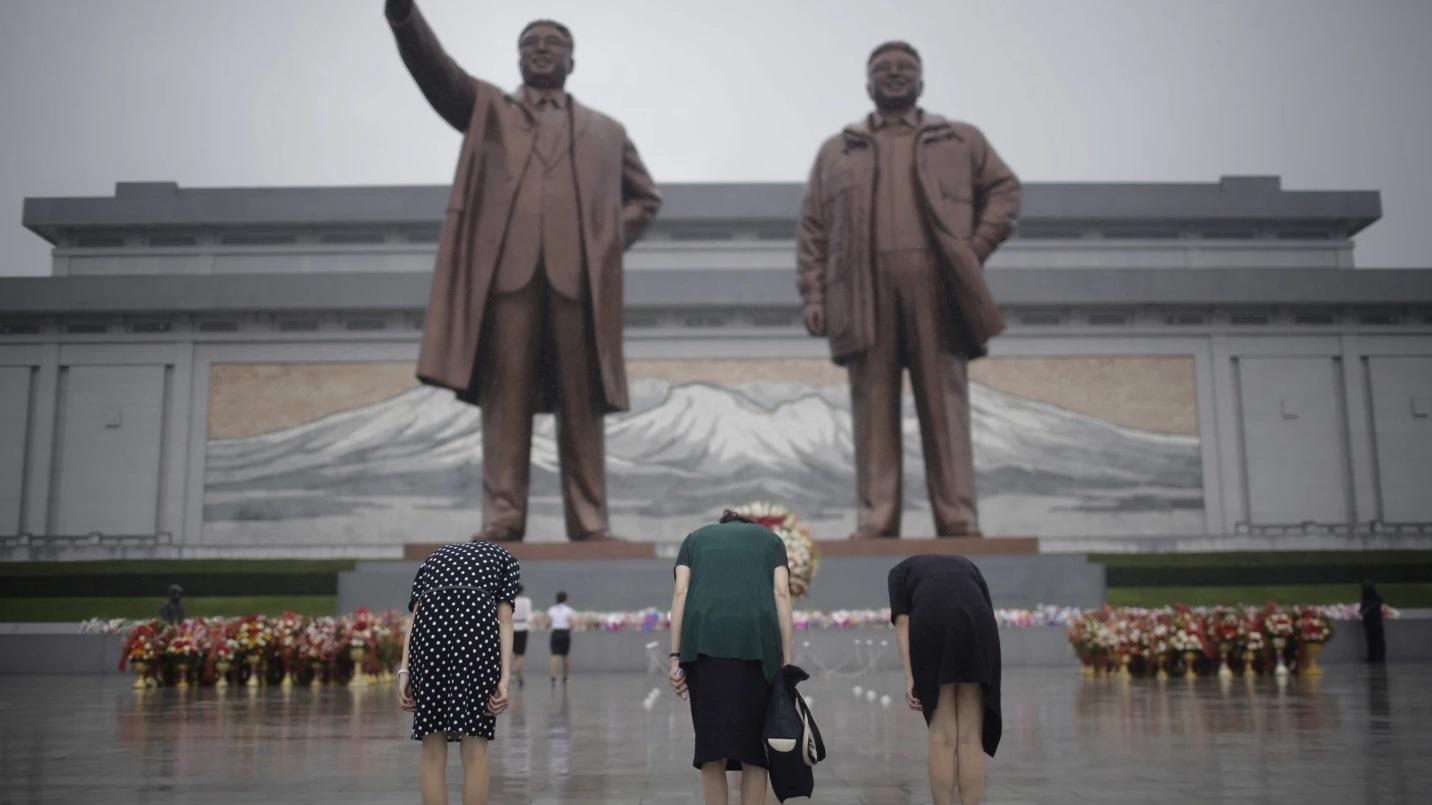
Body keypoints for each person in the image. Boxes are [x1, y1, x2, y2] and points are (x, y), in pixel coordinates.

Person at [384, 0, 662, 543]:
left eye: (553, 43)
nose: (540, 49)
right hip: (507, 281)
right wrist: (403, 16)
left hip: (577, 286)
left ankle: (590, 521)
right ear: (517, 59)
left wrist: (604, 242)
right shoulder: (488, 109)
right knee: (504, 400)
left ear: (572, 61)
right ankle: (504, 517)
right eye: (530, 43)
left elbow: (645, 198)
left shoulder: (606, 130)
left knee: (582, 405)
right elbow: (436, 72)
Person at [797, 40, 1021, 539]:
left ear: (922, 82)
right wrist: (814, 295)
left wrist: (974, 248)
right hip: (862, 291)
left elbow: (1005, 191)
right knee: (872, 407)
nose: (895, 74)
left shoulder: (959, 139)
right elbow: (813, 227)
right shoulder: (837, 151)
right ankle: (876, 518)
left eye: (905, 67)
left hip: (937, 287)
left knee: (945, 404)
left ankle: (958, 517)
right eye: (883, 68)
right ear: (867, 83)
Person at [668, 510, 795, 805]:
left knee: (711, 750)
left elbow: (680, 593)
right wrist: (787, 660)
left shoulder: (694, 540)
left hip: (703, 645)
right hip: (758, 647)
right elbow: (781, 594)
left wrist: (675, 657)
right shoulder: (771, 541)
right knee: (755, 751)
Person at [398, 542, 519, 805]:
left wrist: (404, 671)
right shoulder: (504, 559)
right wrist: (504, 680)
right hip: (475, 638)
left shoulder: (432, 558)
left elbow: (414, 618)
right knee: (475, 745)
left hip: (428, 637)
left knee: (432, 747)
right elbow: (505, 619)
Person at [888, 554, 1002, 805]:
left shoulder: (899, 572)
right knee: (971, 735)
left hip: (932, 622)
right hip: (977, 623)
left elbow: (903, 621)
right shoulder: (969, 565)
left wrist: (911, 675)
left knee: (942, 735)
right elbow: (985, 609)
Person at [547, 591, 575, 684]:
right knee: (565, 655)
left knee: (554, 655)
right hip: (565, 633)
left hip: (555, 632)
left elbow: (548, 623)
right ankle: (565, 677)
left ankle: (553, 677)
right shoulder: (569, 610)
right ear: (565, 599)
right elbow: (571, 624)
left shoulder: (551, 610)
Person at [1360, 580, 1386, 664]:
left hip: (1376, 621)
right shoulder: (1366, 595)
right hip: (1369, 622)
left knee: (1378, 641)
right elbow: (1363, 605)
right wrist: (1362, 610)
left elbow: (1373, 605)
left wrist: (1365, 610)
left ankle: (1379, 657)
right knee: (1370, 641)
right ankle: (1371, 657)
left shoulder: (1377, 595)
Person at [512, 583, 533, 687]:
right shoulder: (526, 601)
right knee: (520, 654)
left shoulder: (511, 600)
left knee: (511, 653)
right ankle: (517, 674)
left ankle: (516, 676)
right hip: (523, 627)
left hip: (511, 627)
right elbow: (529, 616)